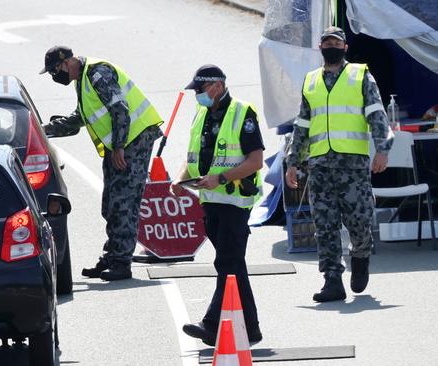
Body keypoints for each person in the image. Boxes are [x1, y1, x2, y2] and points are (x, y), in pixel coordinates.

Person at [285, 26, 393, 302]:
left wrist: (382, 149)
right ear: (320, 48)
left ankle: (360, 254)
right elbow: (302, 125)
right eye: (326, 42)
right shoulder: (310, 81)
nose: (330, 46)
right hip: (320, 166)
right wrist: (292, 161)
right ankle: (332, 280)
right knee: (325, 225)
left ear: (345, 47)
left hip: (353, 166)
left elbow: (376, 114)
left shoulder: (360, 76)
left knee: (359, 220)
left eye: (336, 42)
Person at [40, 46, 163, 281]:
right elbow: (80, 118)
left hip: (133, 140)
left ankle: (121, 262)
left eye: (55, 70)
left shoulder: (98, 74)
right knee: (110, 203)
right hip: (120, 143)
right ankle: (111, 256)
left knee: (124, 202)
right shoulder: (82, 80)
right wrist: (43, 130)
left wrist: (118, 146)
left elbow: (120, 109)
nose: (56, 76)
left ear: (66, 62)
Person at [172, 65, 264, 345]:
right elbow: (193, 158)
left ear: (217, 86)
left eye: (199, 90)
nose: (196, 96)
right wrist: (179, 179)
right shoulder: (201, 114)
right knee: (233, 264)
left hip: (235, 201)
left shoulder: (241, 113)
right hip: (211, 202)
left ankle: (211, 324)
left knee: (227, 262)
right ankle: (251, 329)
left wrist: (221, 178)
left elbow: (255, 161)